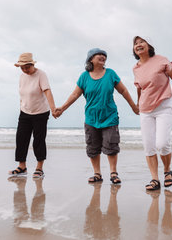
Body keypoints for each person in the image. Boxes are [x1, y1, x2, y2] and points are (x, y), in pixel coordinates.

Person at [55, 48, 139, 184]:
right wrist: (62, 108)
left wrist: (134, 106)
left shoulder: (111, 74)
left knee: (111, 145)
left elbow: (123, 90)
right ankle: (97, 174)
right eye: (98, 55)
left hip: (109, 116)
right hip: (91, 118)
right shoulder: (84, 76)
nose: (102, 56)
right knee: (92, 147)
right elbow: (75, 94)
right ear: (91, 59)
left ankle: (113, 173)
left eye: (104, 55)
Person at [132, 36, 172, 191]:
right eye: (135, 43)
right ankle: (154, 179)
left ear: (149, 45)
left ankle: (167, 171)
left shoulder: (161, 60)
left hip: (164, 106)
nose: (138, 45)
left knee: (162, 144)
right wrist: (137, 103)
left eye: (141, 42)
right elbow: (140, 87)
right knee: (148, 146)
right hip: (145, 110)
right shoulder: (136, 68)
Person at [9, 52, 57, 179]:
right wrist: (22, 107)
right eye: (22, 68)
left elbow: (47, 91)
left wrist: (53, 109)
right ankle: (22, 167)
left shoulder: (41, 75)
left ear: (32, 64)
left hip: (40, 112)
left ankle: (39, 168)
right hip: (25, 112)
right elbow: (23, 94)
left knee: (38, 140)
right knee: (21, 138)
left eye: (27, 67)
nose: (25, 70)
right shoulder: (22, 76)